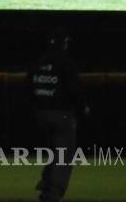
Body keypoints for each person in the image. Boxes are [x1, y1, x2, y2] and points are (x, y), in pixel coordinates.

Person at [30, 30, 88, 202]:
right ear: (64, 44)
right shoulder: (66, 63)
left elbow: (28, 88)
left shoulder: (38, 62)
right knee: (64, 154)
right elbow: (73, 90)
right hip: (61, 116)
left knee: (54, 151)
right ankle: (54, 192)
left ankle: (46, 184)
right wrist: (83, 107)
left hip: (41, 115)